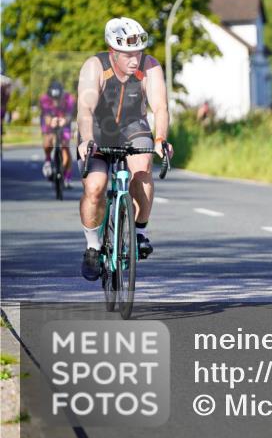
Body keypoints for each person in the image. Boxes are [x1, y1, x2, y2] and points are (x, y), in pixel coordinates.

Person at [76, 17, 172, 281]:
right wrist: (86, 139)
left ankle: (139, 231)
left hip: (133, 127)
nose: (134, 59)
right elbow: (85, 109)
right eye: (128, 54)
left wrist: (161, 139)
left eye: (138, 52)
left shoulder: (150, 67)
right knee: (95, 186)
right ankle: (93, 245)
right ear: (112, 52)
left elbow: (160, 107)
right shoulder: (95, 66)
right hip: (97, 127)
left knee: (142, 170)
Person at [39, 79, 76, 188]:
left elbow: (69, 115)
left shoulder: (69, 99)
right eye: (53, 99)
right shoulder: (44, 99)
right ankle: (47, 159)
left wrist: (65, 120)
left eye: (57, 99)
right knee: (48, 138)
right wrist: (51, 122)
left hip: (64, 120)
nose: (55, 101)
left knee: (65, 146)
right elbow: (46, 116)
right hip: (50, 120)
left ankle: (67, 176)